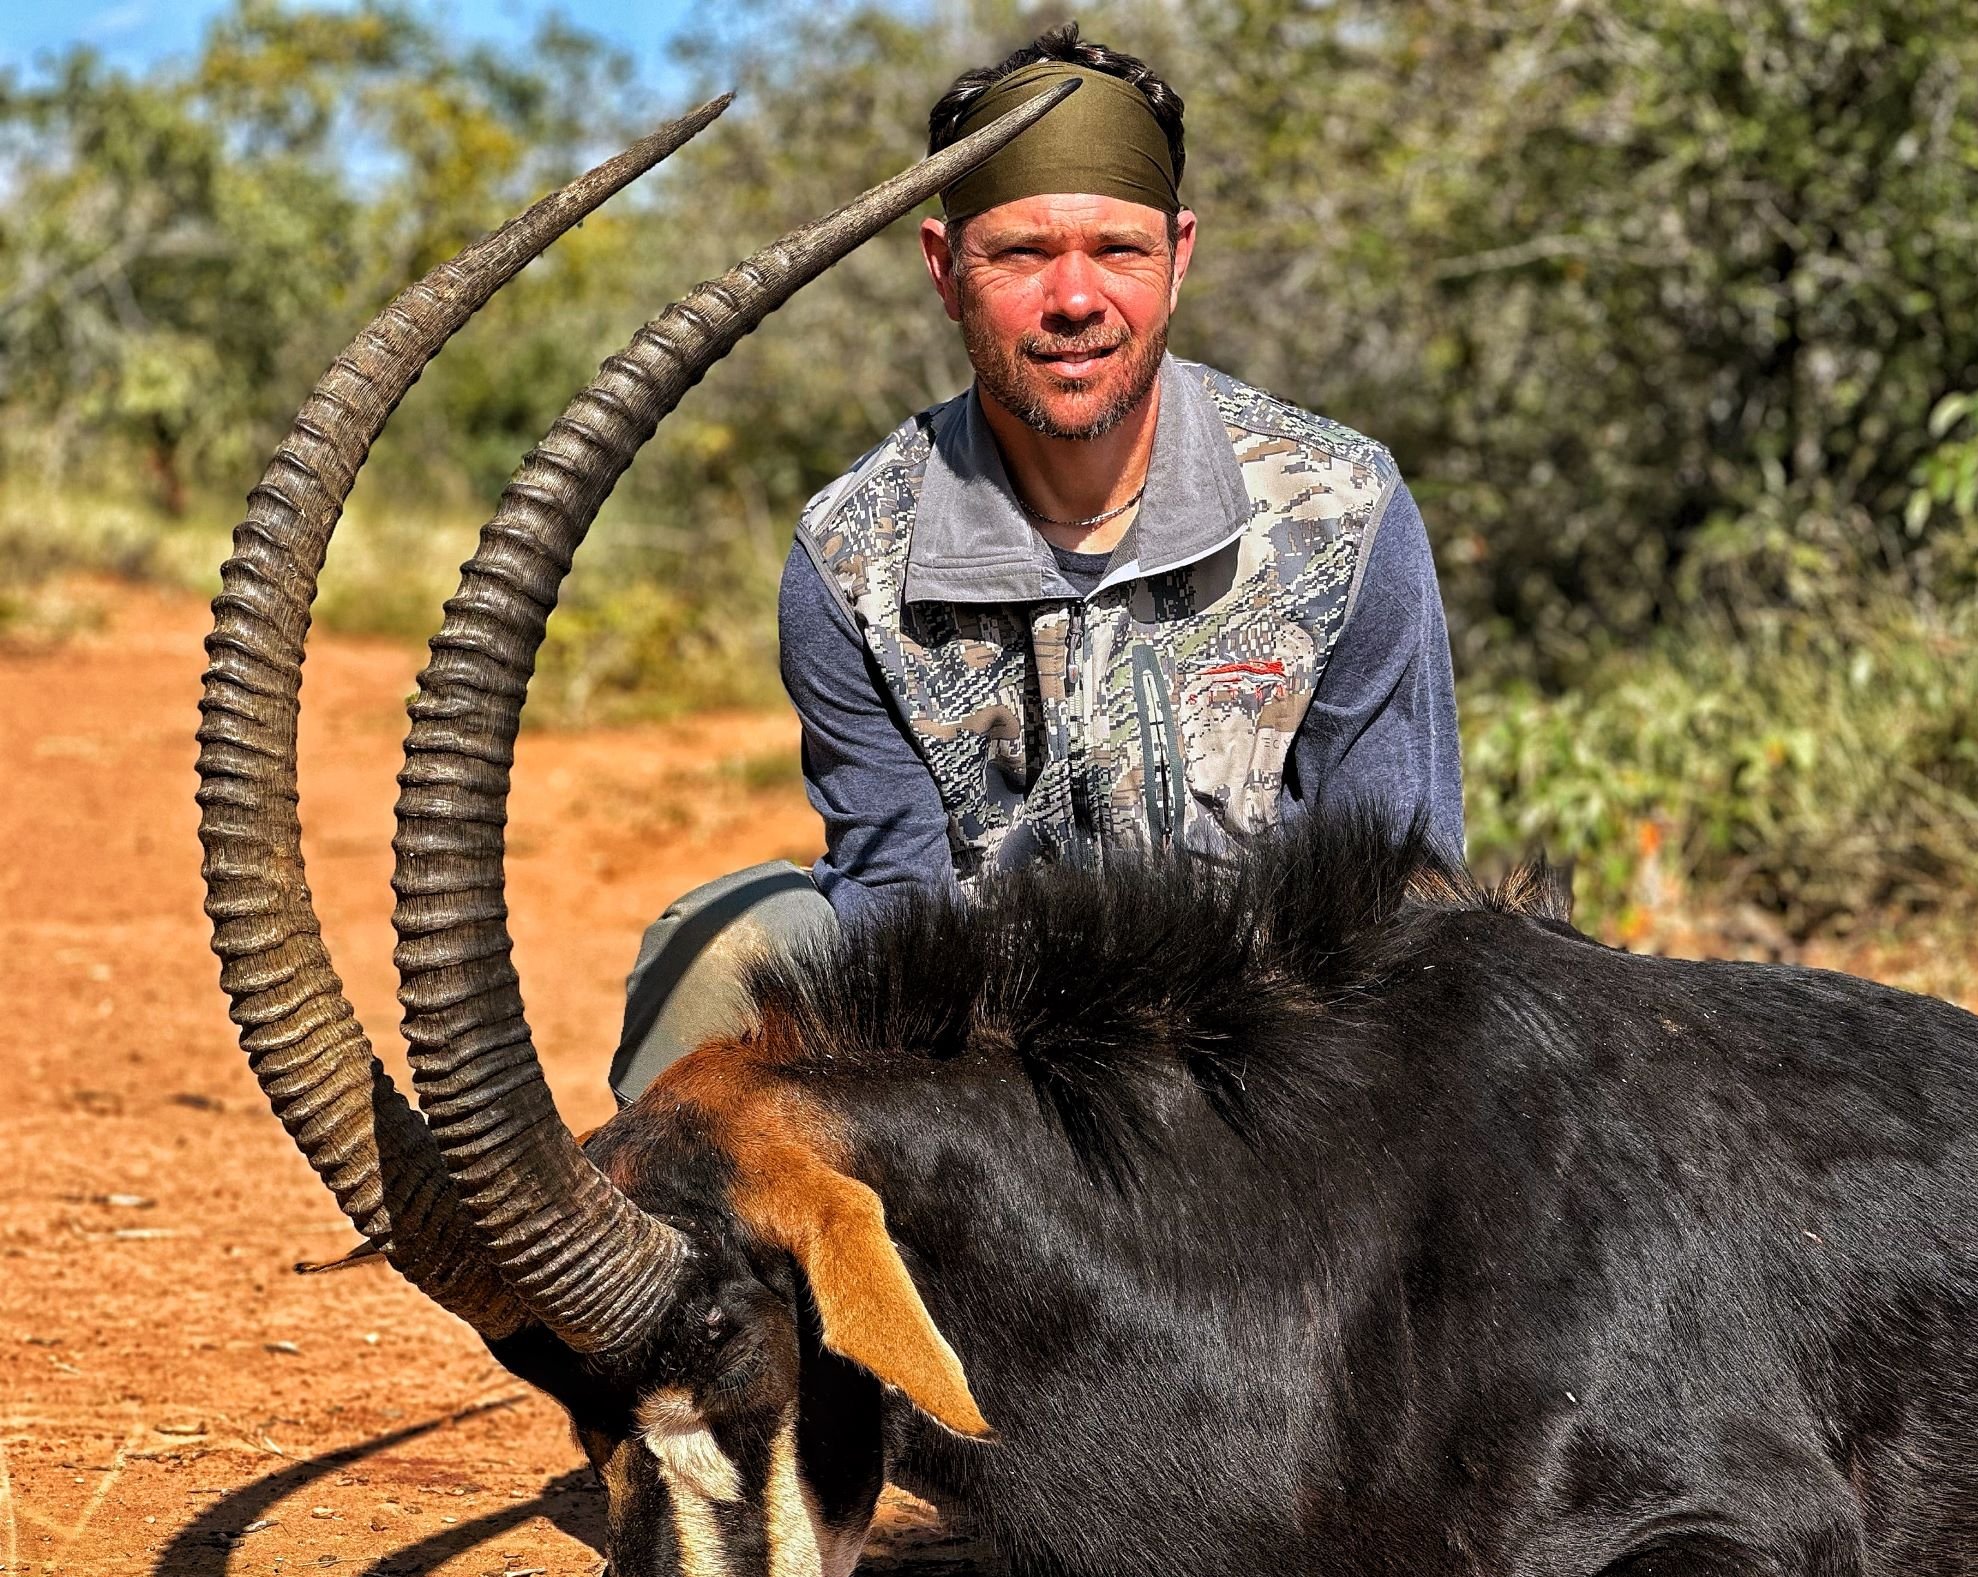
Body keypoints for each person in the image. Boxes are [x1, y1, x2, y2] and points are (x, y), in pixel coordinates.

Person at [608, 23, 1463, 1106]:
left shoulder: (1342, 507)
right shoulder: (850, 554)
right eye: (1018, 253)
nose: (1072, 299)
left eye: (1118, 249)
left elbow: (1404, 898)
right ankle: (686, 1273)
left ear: (1179, 256)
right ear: (944, 269)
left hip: (1273, 1093)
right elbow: (893, 912)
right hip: (992, 1096)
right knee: (725, 946)